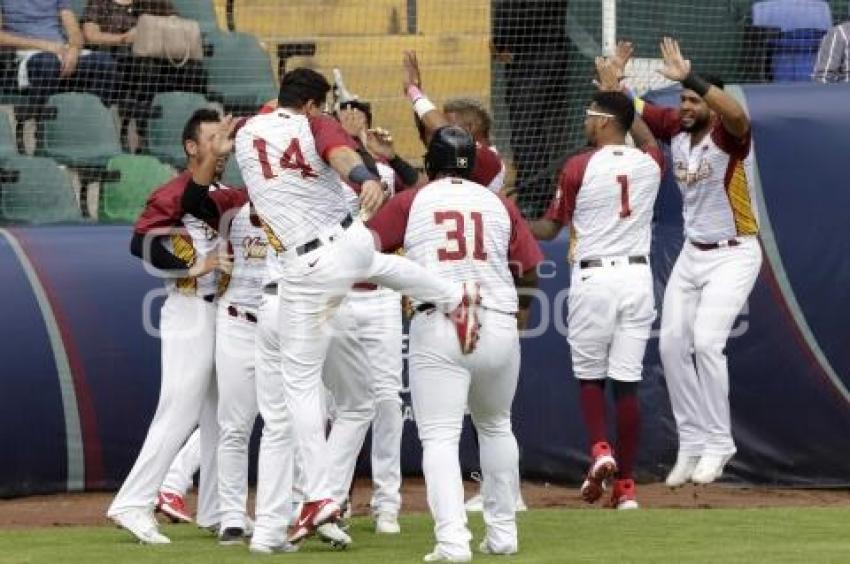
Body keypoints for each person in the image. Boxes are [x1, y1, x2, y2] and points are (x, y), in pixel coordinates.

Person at [234, 67, 479, 553]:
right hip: (342, 242)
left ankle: (321, 496)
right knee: (378, 263)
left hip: (302, 268)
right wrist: (364, 175)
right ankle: (454, 296)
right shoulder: (313, 122)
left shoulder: (249, 129)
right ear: (311, 104)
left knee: (300, 389)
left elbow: (324, 141)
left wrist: (360, 170)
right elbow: (341, 152)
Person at [368, 125, 543, 561]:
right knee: (497, 425)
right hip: (498, 320)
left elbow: (367, 246)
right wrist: (515, 324)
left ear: (430, 163)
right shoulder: (498, 203)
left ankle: (452, 541)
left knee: (441, 439)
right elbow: (531, 270)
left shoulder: (414, 199)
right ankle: (503, 535)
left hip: (441, 320)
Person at [621, 38, 763, 486]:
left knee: (706, 343)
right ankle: (693, 441)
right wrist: (618, 82)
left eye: (693, 99)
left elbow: (739, 115)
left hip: (735, 252)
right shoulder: (678, 132)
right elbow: (640, 111)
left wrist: (692, 77)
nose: (684, 105)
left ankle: (720, 443)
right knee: (669, 346)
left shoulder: (728, 135)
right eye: (681, 99)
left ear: (711, 105)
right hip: (692, 253)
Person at [107, 109, 246, 544]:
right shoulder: (172, 191)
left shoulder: (224, 195)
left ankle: (217, 509)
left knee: (221, 414)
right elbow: (141, 243)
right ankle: (133, 502)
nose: (222, 145)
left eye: (226, 136)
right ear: (191, 147)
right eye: (212, 137)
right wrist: (195, 263)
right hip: (188, 306)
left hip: (221, 311)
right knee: (179, 410)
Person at [530, 82, 664, 509]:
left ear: (605, 122)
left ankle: (600, 449)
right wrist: (618, 93)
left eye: (591, 115)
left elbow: (550, 229)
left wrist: (507, 215)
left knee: (590, 376)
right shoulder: (651, 163)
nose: (585, 122)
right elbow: (645, 136)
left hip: (595, 279)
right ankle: (626, 488)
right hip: (638, 279)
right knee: (627, 385)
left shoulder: (579, 166)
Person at [81, 0, 206, 147]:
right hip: (122, 56)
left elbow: (175, 23)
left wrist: (155, 31)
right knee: (146, 67)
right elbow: (91, 35)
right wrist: (123, 38)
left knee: (194, 69)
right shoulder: (100, 3)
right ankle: (142, 131)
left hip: (160, 56)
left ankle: (191, 127)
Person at [492, 0, 573, 217]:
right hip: (528, 58)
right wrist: (499, 43)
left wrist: (502, 41)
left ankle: (534, 196)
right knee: (526, 128)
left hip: (539, 59)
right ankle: (535, 191)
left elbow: (524, 15)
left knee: (526, 127)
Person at [402, 51, 506, 193]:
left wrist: (413, 91)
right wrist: (417, 94)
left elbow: (442, 132)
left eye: (449, 125)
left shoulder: (488, 158)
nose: (445, 133)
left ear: (470, 127)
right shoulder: (460, 155)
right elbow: (433, 134)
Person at [0, 0, 118, 103]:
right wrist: (43, 45)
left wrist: (74, 50)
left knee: (104, 62)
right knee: (48, 62)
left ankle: (96, 121)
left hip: (61, 49)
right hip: (27, 52)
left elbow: (74, 31)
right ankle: (42, 123)